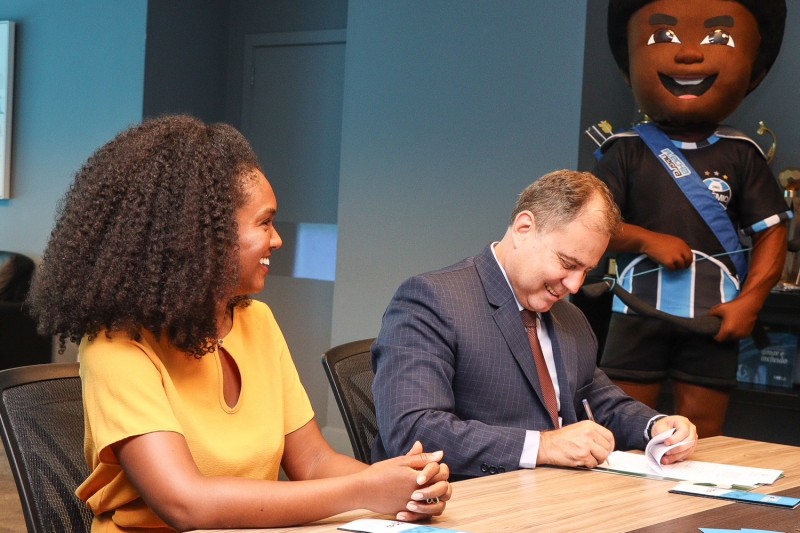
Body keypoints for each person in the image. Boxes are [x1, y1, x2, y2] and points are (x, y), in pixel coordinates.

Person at [26, 115, 451, 532]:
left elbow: (314, 462)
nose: (277, 240)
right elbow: (186, 503)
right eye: (264, 223)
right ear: (202, 236)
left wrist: (405, 485)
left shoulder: (257, 322)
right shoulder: (115, 347)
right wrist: (364, 490)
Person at [371, 169, 697, 480]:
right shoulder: (432, 299)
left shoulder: (570, 318)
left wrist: (657, 427)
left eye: (587, 270)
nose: (574, 285)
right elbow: (413, 431)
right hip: (468, 504)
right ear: (524, 228)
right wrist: (544, 446)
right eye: (568, 264)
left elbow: (599, 400)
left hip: (558, 500)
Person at [595, 0, 791, 437]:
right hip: (636, 308)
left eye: (719, 39)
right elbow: (588, 225)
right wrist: (645, 239)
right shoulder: (625, 150)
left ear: (755, 71)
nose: (688, 54)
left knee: (703, 434)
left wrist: (750, 301)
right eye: (661, 37)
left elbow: (773, 231)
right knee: (622, 427)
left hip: (713, 314)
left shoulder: (743, 154)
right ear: (628, 66)